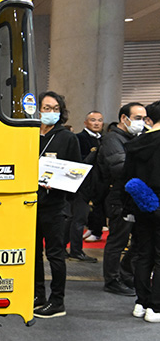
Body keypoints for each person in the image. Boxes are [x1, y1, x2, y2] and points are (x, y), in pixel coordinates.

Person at [33, 91, 81, 319]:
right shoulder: (29, 133)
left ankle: (57, 301)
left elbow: (75, 173)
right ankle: (37, 295)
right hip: (30, 203)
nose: (50, 112)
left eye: (54, 109)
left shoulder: (67, 138)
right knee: (33, 253)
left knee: (55, 254)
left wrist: (58, 183)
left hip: (55, 204)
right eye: (46, 107)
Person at [99, 103, 147, 296]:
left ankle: (126, 273)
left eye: (144, 119)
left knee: (138, 239)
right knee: (117, 240)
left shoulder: (135, 138)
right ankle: (111, 279)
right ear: (124, 118)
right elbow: (119, 167)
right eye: (137, 118)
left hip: (134, 196)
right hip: (118, 197)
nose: (141, 123)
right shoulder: (112, 138)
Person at [122, 100, 160, 323]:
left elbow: (126, 178)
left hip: (141, 204)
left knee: (143, 254)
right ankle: (156, 307)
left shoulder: (136, 143)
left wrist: (128, 207)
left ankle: (141, 302)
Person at [66, 111, 104, 262]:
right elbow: (78, 163)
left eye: (100, 120)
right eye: (93, 120)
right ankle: (75, 250)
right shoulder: (79, 138)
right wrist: (93, 154)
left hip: (97, 185)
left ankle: (64, 247)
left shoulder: (103, 139)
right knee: (78, 219)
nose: (96, 123)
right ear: (85, 122)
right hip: (81, 185)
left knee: (79, 218)